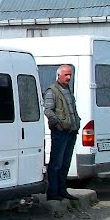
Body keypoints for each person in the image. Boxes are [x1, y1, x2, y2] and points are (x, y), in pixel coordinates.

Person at [43, 65, 81, 201]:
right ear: (58, 75)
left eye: (70, 74)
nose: (69, 77)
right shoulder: (52, 91)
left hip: (71, 132)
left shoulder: (68, 90)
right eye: (66, 75)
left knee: (65, 163)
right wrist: (57, 125)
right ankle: (53, 193)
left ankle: (62, 190)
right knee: (56, 164)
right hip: (60, 133)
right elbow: (47, 110)